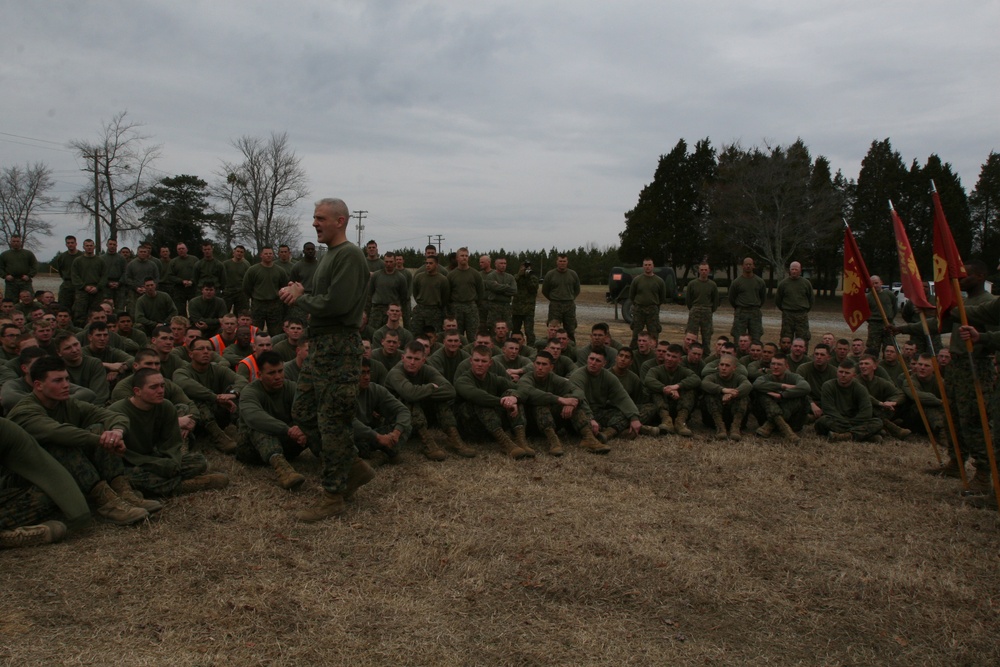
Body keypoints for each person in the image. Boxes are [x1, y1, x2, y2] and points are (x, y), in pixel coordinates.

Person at [278, 198, 375, 522]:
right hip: (320, 345)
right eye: (314, 218)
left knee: (333, 423)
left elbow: (337, 303)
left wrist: (302, 297)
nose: (315, 224)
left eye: (321, 218)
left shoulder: (349, 254)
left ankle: (333, 494)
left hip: (338, 347)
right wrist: (303, 287)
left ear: (341, 221)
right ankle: (355, 466)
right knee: (303, 411)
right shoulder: (330, 255)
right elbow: (327, 293)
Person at [8, 356, 154, 524]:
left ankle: (122, 491)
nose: (65, 385)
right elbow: (58, 432)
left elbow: (110, 415)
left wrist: (116, 433)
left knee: (100, 429)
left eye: (67, 379)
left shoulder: (66, 403)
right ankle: (107, 503)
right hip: (24, 477)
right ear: (38, 385)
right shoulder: (25, 411)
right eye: (57, 381)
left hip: (55, 474)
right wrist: (101, 440)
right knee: (63, 443)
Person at [109, 368, 228, 496]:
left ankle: (158, 486)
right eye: (154, 387)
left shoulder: (166, 407)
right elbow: (124, 455)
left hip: (156, 458)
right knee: (129, 477)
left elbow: (172, 445)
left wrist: (171, 462)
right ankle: (186, 485)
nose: (160, 391)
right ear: (137, 391)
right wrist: (158, 464)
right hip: (133, 463)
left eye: (162, 386)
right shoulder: (117, 411)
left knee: (199, 461)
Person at [236, 351, 313, 490]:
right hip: (252, 449)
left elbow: (310, 408)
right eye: (271, 373)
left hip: (285, 444)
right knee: (259, 427)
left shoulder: (290, 387)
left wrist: (301, 429)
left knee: (313, 422)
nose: (278, 377)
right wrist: (288, 430)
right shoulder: (250, 392)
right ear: (259, 375)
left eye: (280, 371)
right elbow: (254, 417)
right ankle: (284, 471)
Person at [386, 341, 474, 460]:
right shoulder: (396, 373)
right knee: (410, 401)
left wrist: (422, 394)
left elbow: (450, 390)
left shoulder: (427, 369)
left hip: (420, 416)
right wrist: (430, 387)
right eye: (409, 358)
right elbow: (410, 394)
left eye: (416, 359)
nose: (412, 362)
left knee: (440, 400)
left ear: (423, 360)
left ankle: (454, 438)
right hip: (394, 419)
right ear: (403, 358)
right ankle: (427, 443)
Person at [516, 351, 608, 455]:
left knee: (572, 402)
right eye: (538, 363)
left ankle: (589, 438)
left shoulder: (554, 378)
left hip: (551, 421)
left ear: (551, 367)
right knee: (540, 403)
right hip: (531, 423)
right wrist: (559, 399)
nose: (540, 367)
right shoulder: (527, 378)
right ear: (534, 364)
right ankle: (553, 442)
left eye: (544, 364)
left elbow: (578, 391)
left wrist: (571, 401)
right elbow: (528, 391)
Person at [454, 346, 533, 459]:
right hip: (469, 427)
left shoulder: (494, 378)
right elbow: (477, 396)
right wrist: (503, 402)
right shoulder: (463, 380)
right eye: (476, 360)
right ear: (471, 361)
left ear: (490, 363)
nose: (480, 364)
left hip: (489, 425)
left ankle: (521, 440)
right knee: (482, 401)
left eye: (484, 361)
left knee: (511, 393)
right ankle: (506, 444)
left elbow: (523, 390)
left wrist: (514, 398)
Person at [172, 337, 246, 453]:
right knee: (197, 399)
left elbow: (241, 380)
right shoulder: (182, 372)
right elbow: (186, 385)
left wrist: (233, 394)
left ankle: (244, 431)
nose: (206, 351)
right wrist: (215, 398)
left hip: (218, 414)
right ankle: (218, 437)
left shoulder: (218, 369)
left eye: (209, 349)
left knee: (233, 392)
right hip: (195, 420)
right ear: (191, 354)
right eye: (201, 349)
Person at [569, 351, 641, 445]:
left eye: (598, 360)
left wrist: (634, 418)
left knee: (626, 413)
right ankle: (611, 432)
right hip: (582, 412)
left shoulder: (608, 377)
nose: (593, 363)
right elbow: (579, 398)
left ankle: (607, 434)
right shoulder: (578, 375)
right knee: (578, 413)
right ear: (587, 359)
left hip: (598, 412)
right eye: (591, 359)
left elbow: (622, 397)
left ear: (604, 363)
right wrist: (590, 418)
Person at [354, 359, 411, 466]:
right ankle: (378, 456)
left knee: (405, 426)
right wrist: (378, 437)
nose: (367, 377)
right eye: (362, 373)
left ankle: (381, 456)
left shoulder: (375, 389)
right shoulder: (344, 393)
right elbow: (350, 422)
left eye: (368, 372)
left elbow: (403, 410)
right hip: (354, 436)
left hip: (370, 436)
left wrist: (396, 433)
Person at [643, 343, 699, 436]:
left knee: (690, 390)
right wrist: (665, 389)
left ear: (680, 360)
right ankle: (666, 420)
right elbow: (648, 380)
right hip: (660, 408)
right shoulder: (655, 370)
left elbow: (696, 379)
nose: (669, 359)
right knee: (655, 390)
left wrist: (677, 386)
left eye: (673, 357)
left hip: (678, 406)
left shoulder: (683, 371)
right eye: (668, 355)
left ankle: (680, 421)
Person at [752, 354, 810, 441]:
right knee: (762, 394)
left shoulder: (794, 377)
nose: (775, 367)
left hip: (792, 422)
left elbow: (806, 387)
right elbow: (756, 384)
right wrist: (782, 386)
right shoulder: (765, 378)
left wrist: (783, 395)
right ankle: (785, 429)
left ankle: (770, 425)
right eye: (773, 364)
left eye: (779, 364)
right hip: (765, 417)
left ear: (786, 366)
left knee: (800, 396)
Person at [857, 354, 911, 441]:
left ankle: (883, 428)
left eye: (866, 364)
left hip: (877, 412)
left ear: (874, 366)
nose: (863, 366)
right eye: (861, 364)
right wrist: (881, 403)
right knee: (870, 409)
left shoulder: (880, 382)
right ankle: (896, 430)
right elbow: (865, 396)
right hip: (860, 412)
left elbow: (900, 393)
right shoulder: (856, 381)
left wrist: (893, 402)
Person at [701, 354, 752, 440]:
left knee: (744, 397)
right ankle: (720, 428)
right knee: (710, 396)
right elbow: (704, 383)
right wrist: (723, 390)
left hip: (733, 415)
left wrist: (732, 394)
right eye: (722, 365)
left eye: (727, 365)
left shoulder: (739, 377)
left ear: (734, 368)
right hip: (713, 418)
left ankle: (735, 428)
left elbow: (748, 385)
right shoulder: (712, 377)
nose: (724, 368)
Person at [243, 246, 288, 335]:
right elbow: (246, 287)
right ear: (261, 255)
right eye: (266, 254)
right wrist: (254, 297)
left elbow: (284, 288)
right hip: (258, 304)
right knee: (256, 330)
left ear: (273, 255)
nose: (268, 255)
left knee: (276, 332)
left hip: (275, 305)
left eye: (270, 254)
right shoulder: (253, 270)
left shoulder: (280, 271)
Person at [628, 258, 668, 348]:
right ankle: (634, 353)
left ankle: (654, 353)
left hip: (652, 310)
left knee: (654, 335)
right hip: (639, 310)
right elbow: (631, 295)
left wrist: (655, 306)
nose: (647, 267)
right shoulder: (637, 280)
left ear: (653, 266)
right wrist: (637, 305)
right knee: (636, 334)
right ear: (643, 266)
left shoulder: (659, 281)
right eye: (645, 265)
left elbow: (662, 297)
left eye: (649, 265)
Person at [447, 248, 485, 343]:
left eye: (466, 256)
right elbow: (447, 294)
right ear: (457, 258)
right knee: (457, 336)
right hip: (456, 308)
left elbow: (481, 292)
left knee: (473, 336)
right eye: (462, 256)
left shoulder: (475, 274)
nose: (464, 258)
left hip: (471, 307)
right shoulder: (451, 275)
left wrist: (475, 305)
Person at [542, 254, 581, 341]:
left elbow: (577, 290)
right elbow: (545, 290)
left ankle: (571, 350)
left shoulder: (573, 274)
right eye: (560, 261)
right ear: (557, 262)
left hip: (569, 305)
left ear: (567, 262)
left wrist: (570, 297)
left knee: (570, 330)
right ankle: (552, 348)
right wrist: (553, 299)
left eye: (564, 261)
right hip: (555, 305)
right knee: (554, 329)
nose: (562, 263)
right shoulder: (550, 274)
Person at [367, 252, 409, 332]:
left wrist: (404, 318)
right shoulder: (376, 276)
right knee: (373, 333)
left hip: (392, 312)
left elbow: (404, 299)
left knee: (391, 335)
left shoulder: (401, 278)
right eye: (386, 261)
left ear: (395, 262)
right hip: (376, 310)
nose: (388, 264)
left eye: (391, 262)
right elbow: (370, 295)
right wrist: (367, 313)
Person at [774, 261, 814, 343]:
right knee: (786, 338)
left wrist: (804, 310)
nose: (794, 271)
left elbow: (811, 299)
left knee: (803, 338)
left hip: (801, 315)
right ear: (789, 270)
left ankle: (803, 354)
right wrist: (785, 309)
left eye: (796, 269)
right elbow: (778, 299)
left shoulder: (806, 283)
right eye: (792, 269)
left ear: (800, 270)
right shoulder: (783, 284)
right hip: (787, 315)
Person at [729, 257, 766, 342]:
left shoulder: (759, 281)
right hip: (741, 312)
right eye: (746, 264)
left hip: (755, 312)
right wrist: (738, 307)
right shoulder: (736, 282)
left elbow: (763, 297)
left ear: (753, 266)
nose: (748, 266)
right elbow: (732, 298)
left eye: (750, 264)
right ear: (743, 266)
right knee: (738, 338)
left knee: (756, 338)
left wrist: (756, 306)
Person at [411, 255, 450, 337]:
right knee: (416, 334)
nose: (428, 265)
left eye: (430, 263)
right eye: (426, 263)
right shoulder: (419, 277)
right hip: (420, 310)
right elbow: (415, 292)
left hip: (435, 311)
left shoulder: (443, 279)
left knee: (433, 335)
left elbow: (445, 296)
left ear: (436, 264)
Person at [684, 262, 719, 345]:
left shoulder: (712, 285)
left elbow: (715, 301)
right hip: (695, 310)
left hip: (707, 311)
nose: (704, 272)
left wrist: (710, 310)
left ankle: (705, 354)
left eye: (705, 270)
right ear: (699, 271)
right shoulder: (692, 284)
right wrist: (693, 308)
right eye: (702, 270)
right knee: (691, 335)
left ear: (709, 271)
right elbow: (688, 300)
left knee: (707, 336)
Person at [122, 244, 159, 315]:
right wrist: (136, 288)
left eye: (144, 252)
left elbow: (156, 278)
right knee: (133, 311)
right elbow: (127, 278)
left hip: (149, 291)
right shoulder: (131, 264)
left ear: (147, 253)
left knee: (149, 310)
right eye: (141, 252)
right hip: (134, 292)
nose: (143, 253)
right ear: (137, 252)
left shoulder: (153, 265)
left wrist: (150, 288)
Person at [0, 234, 38, 301]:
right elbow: (0, 267)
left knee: (29, 300)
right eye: (14, 241)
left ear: (21, 242)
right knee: (11, 301)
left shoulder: (28, 254)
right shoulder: (4, 255)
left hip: (25, 281)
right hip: (11, 282)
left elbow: (34, 266)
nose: (16, 243)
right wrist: (5, 276)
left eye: (17, 241)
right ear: (10, 242)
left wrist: (29, 276)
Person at [865, 275, 897, 354]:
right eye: (872, 284)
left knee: (889, 346)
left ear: (881, 283)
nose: (875, 285)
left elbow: (894, 307)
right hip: (875, 325)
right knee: (873, 347)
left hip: (888, 324)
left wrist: (890, 318)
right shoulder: (868, 297)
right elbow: (865, 312)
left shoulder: (889, 294)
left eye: (876, 283)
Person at [484, 256, 517, 332]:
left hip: (506, 306)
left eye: (505, 263)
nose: (503, 265)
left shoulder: (510, 277)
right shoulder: (491, 276)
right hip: (494, 306)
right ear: (495, 264)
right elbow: (493, 287)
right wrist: (507, 286)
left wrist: (499, 288)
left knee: (507, 327)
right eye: (501, 263)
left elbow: (514, 291)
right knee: (493, 328)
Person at [50, 235, 81, 314]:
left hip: (79, 284)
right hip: (67, 284)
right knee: (64, 306)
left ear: (76, 244)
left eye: (72, 243)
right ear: (66, 244)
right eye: (68, 243)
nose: (70, 244)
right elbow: (60, 270)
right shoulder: (62, 257)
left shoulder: (81, 256)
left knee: (79, 307)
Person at [512, 259, 540, 345]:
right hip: (516, 309)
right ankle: (513, 346)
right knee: (515, 331)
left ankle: (531, 347)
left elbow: (533, 289)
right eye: (524, 267)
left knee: (529, 332)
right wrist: (520, 275)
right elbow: (511, 286)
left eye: (528, 267)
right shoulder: (516, 277)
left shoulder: (533, 278)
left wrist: (528, 277)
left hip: (528, 310)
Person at [167, 243, 199, 314]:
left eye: (183, 248)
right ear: (177, 251)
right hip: (179, 290)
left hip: (193, 289)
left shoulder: (194, 259)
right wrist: (181, 281)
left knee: (194, 308)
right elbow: (170, 276)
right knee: (180, 310)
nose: (181, 250)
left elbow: (199, 273)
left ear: (187, 249)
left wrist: (192, 281)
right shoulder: (173, 262)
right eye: (179, 249)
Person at [222, 246, 251, 315]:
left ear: (243, 254)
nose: (239, 253)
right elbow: (221, 277)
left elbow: (249, 279)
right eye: (238, 251)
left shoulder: (246, 265)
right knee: (224, 313)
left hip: (241, 293)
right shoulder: (226, 264)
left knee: (241, 314)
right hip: (228, 292)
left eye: (241, 252)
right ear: (233, 252)